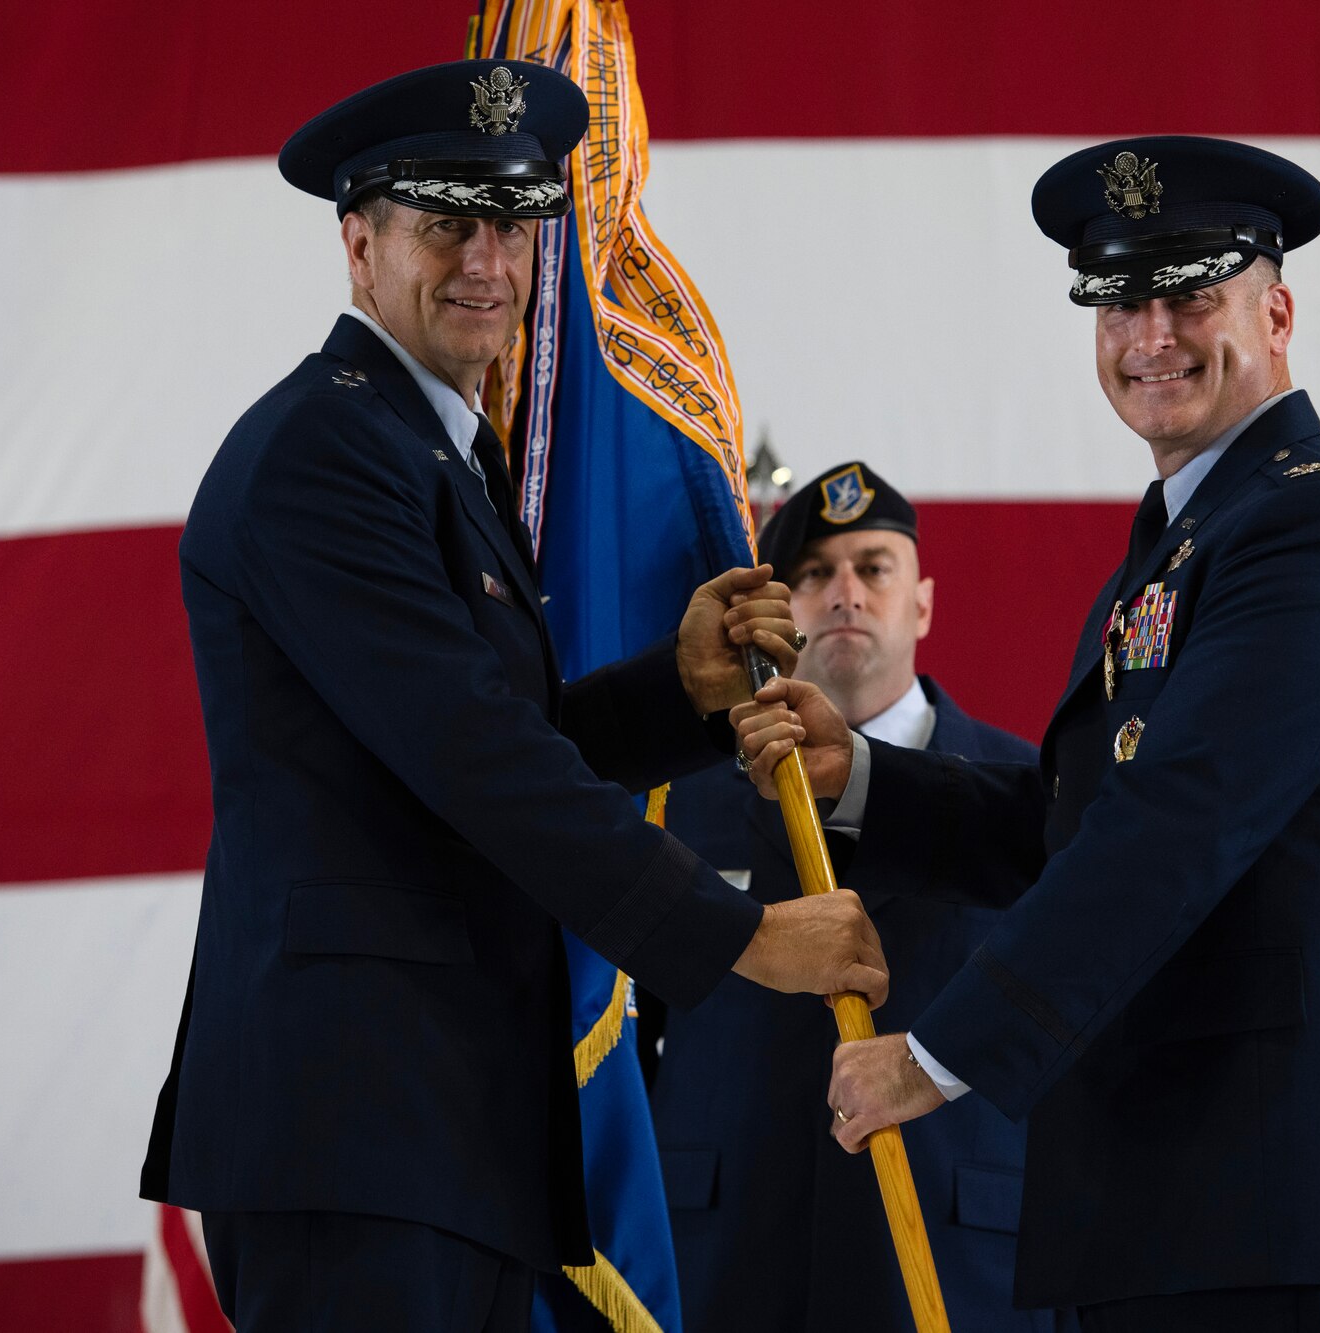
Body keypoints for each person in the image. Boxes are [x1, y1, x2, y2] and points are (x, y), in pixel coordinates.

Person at [136, 61, 888, 1333]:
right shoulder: (326, 452)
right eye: (445, 224)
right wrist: (739, 934)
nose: (487, 260)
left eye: (511, 227)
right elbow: (474, 756)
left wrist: (682, 690)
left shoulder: (431, 446)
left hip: (437, 1125)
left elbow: (471, 739)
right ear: (358, 242)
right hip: (356, 1130)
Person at [736, 138, 1320, 1332]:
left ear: (1275, 311)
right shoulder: (1193, 536)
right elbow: (1075, 825)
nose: (1149, 334)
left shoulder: (1311, 537)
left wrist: (936, 1055)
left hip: (1259, 1198)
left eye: (1189, 294)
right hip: (1169, 1193)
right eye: (1118, 299)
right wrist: (861, 776)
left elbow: (1173, 830)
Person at [649, 463, 1046, 1332]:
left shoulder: (1028, 793)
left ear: (925, 603)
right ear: (781, 610)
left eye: (874, 567)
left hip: (959, 1248)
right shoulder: (683, 802)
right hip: (725, 1250)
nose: (845, 594)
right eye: (816, 573)